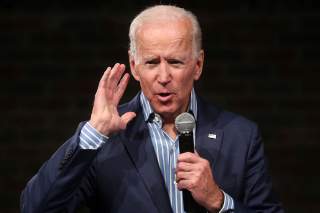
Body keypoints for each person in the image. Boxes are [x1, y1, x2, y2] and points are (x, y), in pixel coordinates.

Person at [20, 5, 284, 213]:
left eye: (175, 61)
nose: (164, 76)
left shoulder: (241, 136)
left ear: (198, 65)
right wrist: (94, 133)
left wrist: (218, 201)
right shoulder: (104, 140)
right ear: (134, 66)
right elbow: (36, 208)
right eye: (151, 62)